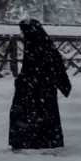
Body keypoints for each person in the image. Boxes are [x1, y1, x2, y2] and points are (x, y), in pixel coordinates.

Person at [9, 19, 71, 151]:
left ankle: (28, 141)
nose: (21, 34)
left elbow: (34, 66)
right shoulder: (43, 44)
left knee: (27, 114)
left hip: (34, 87)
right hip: (43, 87)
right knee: (42, 113)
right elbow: (56, 65)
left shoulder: (34, 45)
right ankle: (45, 140)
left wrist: (24, 81)